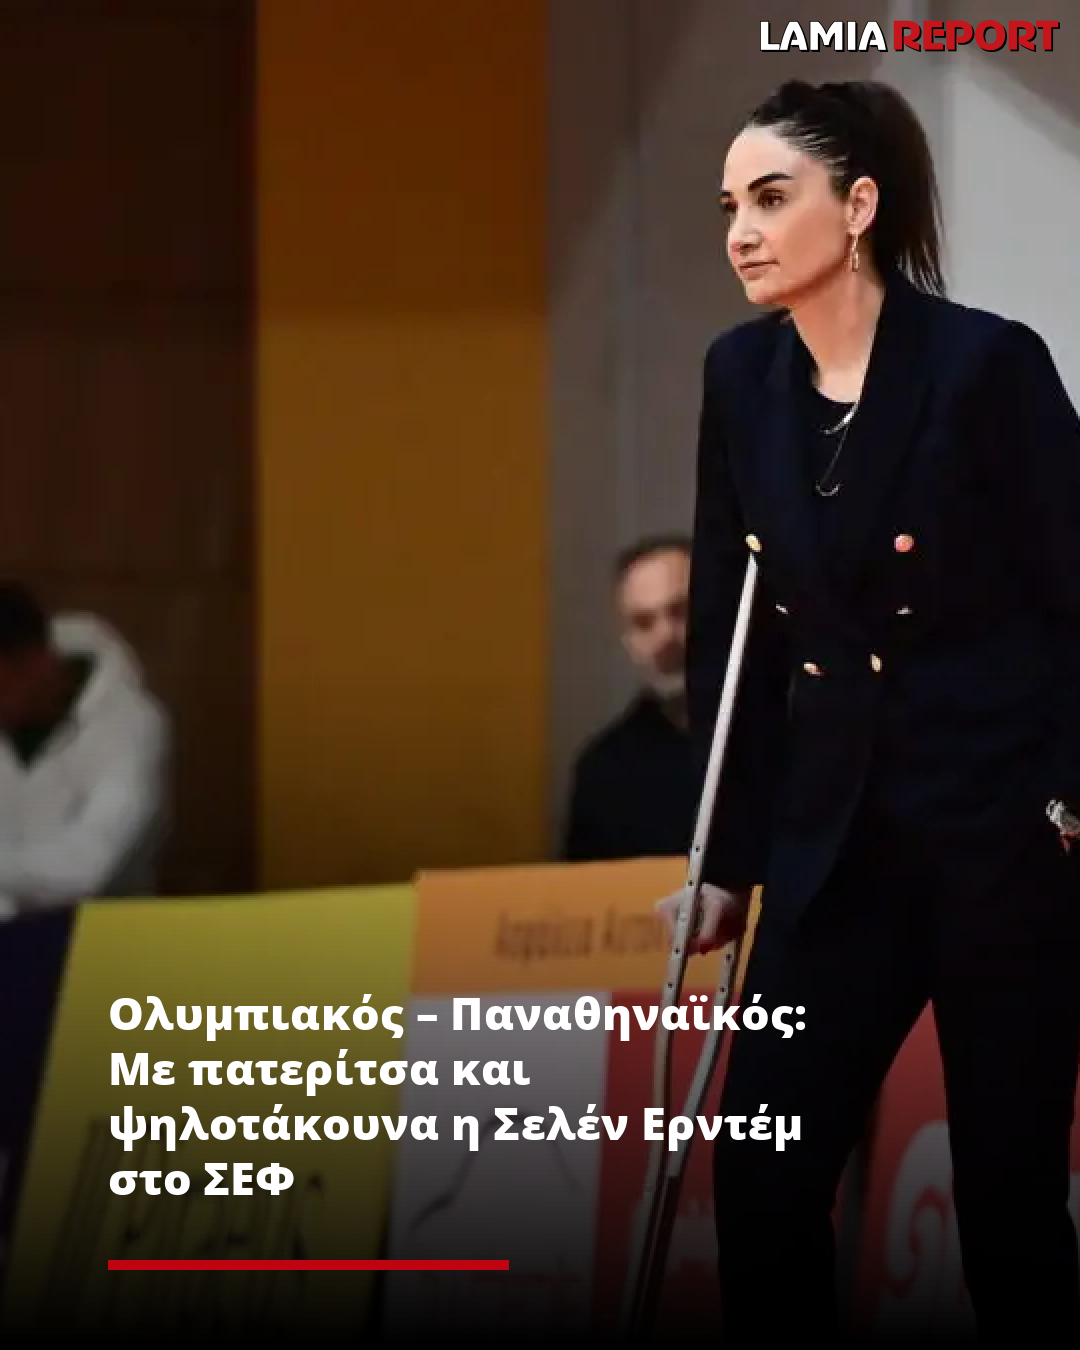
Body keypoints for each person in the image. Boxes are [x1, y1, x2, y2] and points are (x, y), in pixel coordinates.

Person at [656, 80, 1080, 1341]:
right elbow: (731, 630)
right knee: (762, 1174)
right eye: (729, 206)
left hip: (1001, 837)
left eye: (770, 198)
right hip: (835, 849)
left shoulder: (986, 366)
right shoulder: (741, 376)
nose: (741, 230)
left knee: (1007, 1204)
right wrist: (726, 861)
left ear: (858, 207)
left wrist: (1066, 801)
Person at [0, 582, 170, 918]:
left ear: (35, 663)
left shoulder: (132, 729)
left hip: (103, 934)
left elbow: (85, 867)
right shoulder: (12, 707)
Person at [562, 537, 700, 862]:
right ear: (628, 642)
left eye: (681, 611)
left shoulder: (799, 737)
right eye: (643, 622)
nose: (665, 636)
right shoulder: (604, 772)